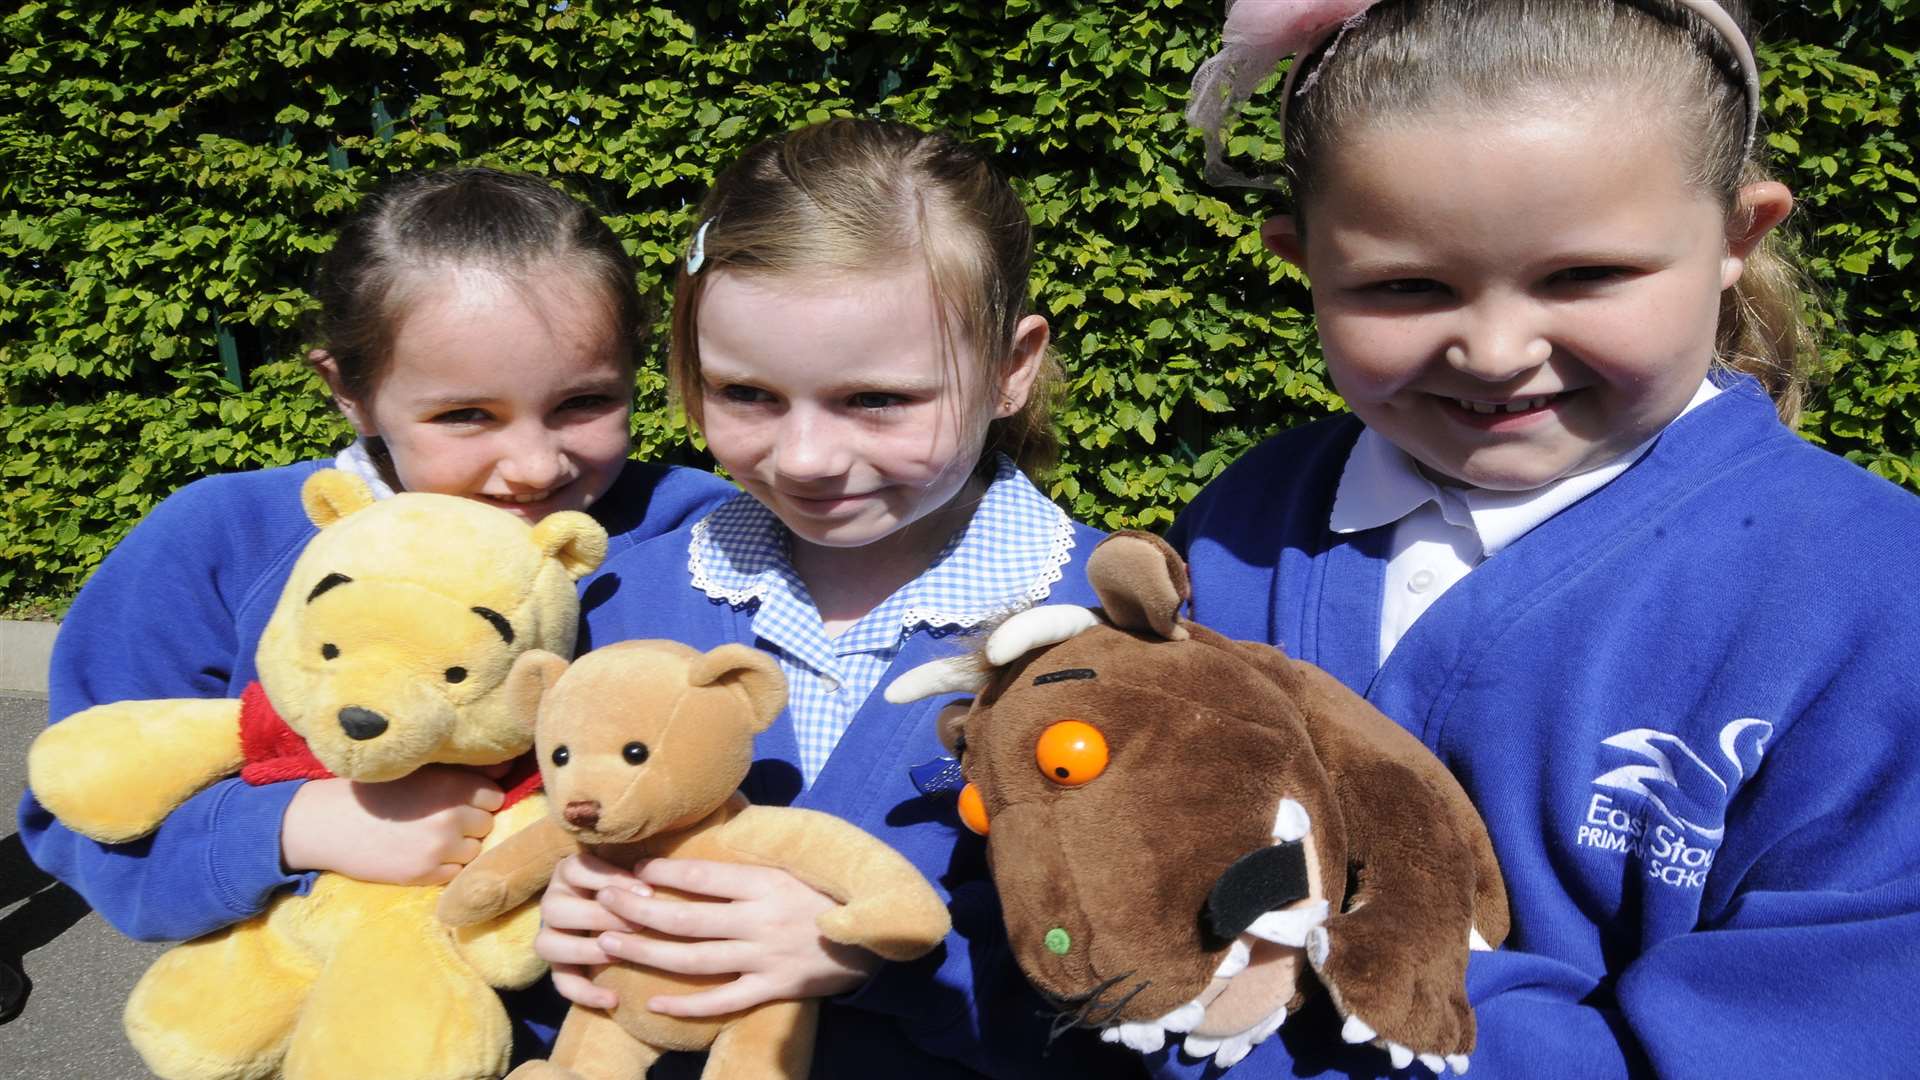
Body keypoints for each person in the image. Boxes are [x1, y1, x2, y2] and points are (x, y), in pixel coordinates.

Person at [1164, 0, 1920, 1076]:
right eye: (1405, 287)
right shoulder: (1246, 524)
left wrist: (1379, 994)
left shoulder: (1880, 598)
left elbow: (1827, 1025)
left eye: (1585, 277)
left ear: (1737, 239)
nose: (1495, 350)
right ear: (1302, 260)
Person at [18, 167, 736, 1046]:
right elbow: (79, 812)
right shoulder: (218, 541)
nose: (536, 466)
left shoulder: (696, 531)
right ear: (347, 389)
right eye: (467, 414)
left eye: (585, 402)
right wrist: (293, 826)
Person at [537, 118, 1140, 1077]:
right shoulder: (618, 602)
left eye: (877, 400)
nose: (806, 458)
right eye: (745, 394)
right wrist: (551, 923)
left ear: (1011, 369)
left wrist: (883, 961)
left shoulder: (1120, 639)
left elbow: (1165, 1006)